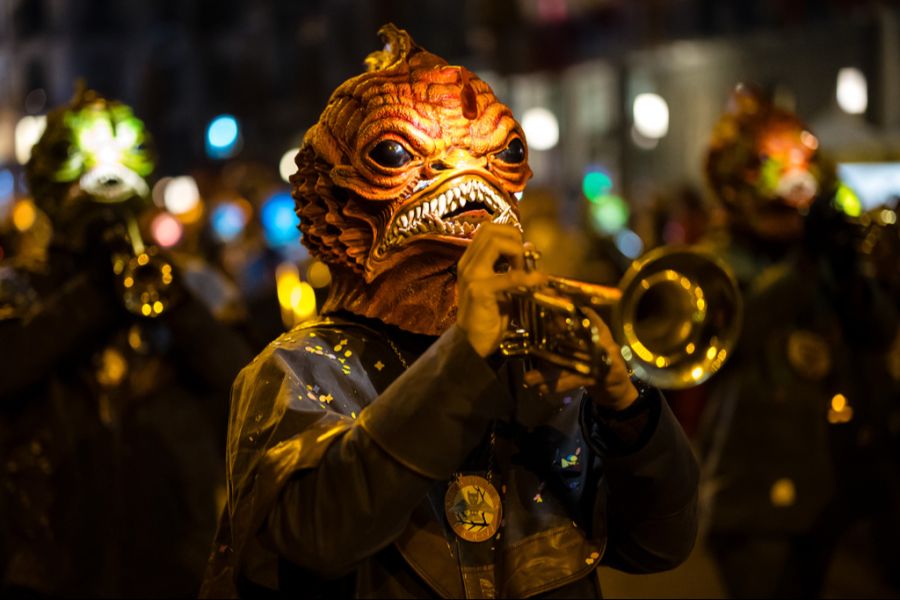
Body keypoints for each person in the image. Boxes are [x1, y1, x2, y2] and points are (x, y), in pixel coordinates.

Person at [201, 24, 699, 598]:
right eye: (395, 154)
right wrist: (463, 357)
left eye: (504, 154)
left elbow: (662, 543)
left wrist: (627, 410)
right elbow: (318, 533)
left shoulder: (541, 372)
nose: (468, 180)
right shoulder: (294, 370)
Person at [0, 85, 254, 597]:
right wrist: (99, 290)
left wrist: (175, 302)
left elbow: (248, 391)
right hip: (45, 568)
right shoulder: (16, 290)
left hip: (175, 562)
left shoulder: (193, 283)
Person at [697, 84, 900, 598]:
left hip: (835, 495)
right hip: (752, 498)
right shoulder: (713, 259)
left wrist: (848, 267)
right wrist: (807, 262)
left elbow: (878, 332)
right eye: (772, 164)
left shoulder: (820, 255)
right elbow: (731, 333)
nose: (796, 178)